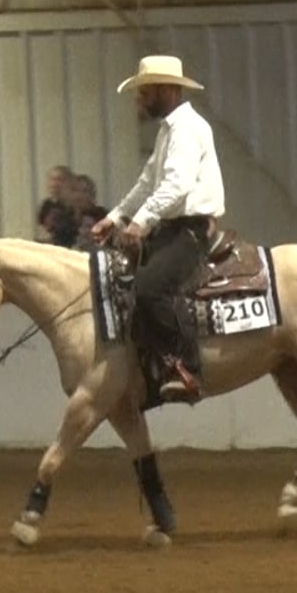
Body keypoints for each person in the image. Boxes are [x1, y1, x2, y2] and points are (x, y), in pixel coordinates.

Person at [86, 55, 223, 403]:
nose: (139, 98)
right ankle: (149, 371)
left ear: (166, 90)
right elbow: (147, 183)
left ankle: (188, 368)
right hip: (173, 228)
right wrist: (116, 217)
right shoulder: (169, 131)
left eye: (144, 91)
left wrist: (140, 222)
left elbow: (176, 186)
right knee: (125, 282)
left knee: (149, 288)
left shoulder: (187, 129)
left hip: (190, 231)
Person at [35, 165, 81, 247]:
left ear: (69, 183)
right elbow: (41, 231)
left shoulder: (77, 207)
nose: (55, 184)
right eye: (52, 179)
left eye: (59, 180)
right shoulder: (46, 206)